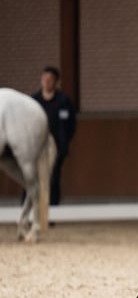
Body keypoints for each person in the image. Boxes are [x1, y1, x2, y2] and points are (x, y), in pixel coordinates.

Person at [31, 66, 77, 205]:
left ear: (56, 81)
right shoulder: (33, 101)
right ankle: (29, 210)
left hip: (56, 147)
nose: (46, 82)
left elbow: (71, 125)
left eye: (50, 80)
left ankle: (51, 211)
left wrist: (63, 143)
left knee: (53, 179)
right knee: (32, 177)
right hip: (36, 147)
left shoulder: (64, 102)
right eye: (44, 79)